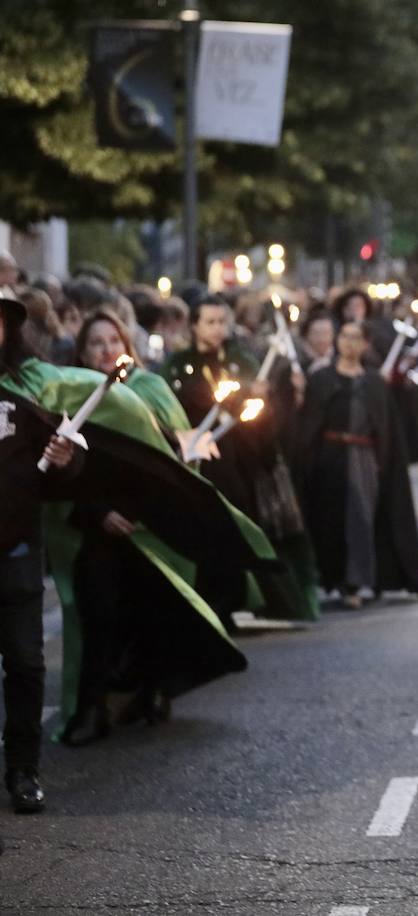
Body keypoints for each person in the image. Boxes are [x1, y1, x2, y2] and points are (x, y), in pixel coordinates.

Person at [51, 312, 248, 745]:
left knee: (157, 606)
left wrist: (147, 508)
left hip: (150, 524)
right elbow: (65, 471)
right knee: (97, 614)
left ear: (127, 346)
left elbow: (173, 456)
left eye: (113, 341)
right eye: (96, 343)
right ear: (82, 352)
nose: (106, 350)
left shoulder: (150, 390)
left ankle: (151, 690)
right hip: (98, 524)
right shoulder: (70, 395)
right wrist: (101, 512)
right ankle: (92, 707)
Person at [162, 296, 319, 623]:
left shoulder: (242, 361)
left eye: (223, 322)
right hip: (196, 461)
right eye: (210, 322)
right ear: (194, 325)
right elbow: (169, 407)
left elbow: (262, 416)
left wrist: (261, 397)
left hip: (236, 462)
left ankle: (239, 599)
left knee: (236, 525)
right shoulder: (177, 364)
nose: (218, 329)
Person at [0, 295, 79, 815]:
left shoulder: (26, 396)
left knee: (27, 664)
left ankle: (23, 770)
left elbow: (51, 484)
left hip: (16, 551)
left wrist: (63, 460)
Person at [295, 321, 418, 608]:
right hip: (330, 460)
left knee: (360, 518)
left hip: (364, 460)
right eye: (344, 336)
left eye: (356, 338)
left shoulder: (374, 382)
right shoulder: (322, 380)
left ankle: (357, 580)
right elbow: (308, 424)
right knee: (333, 520)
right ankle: (340, 579)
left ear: (365, 344)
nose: (349, 343)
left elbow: (386, 427)